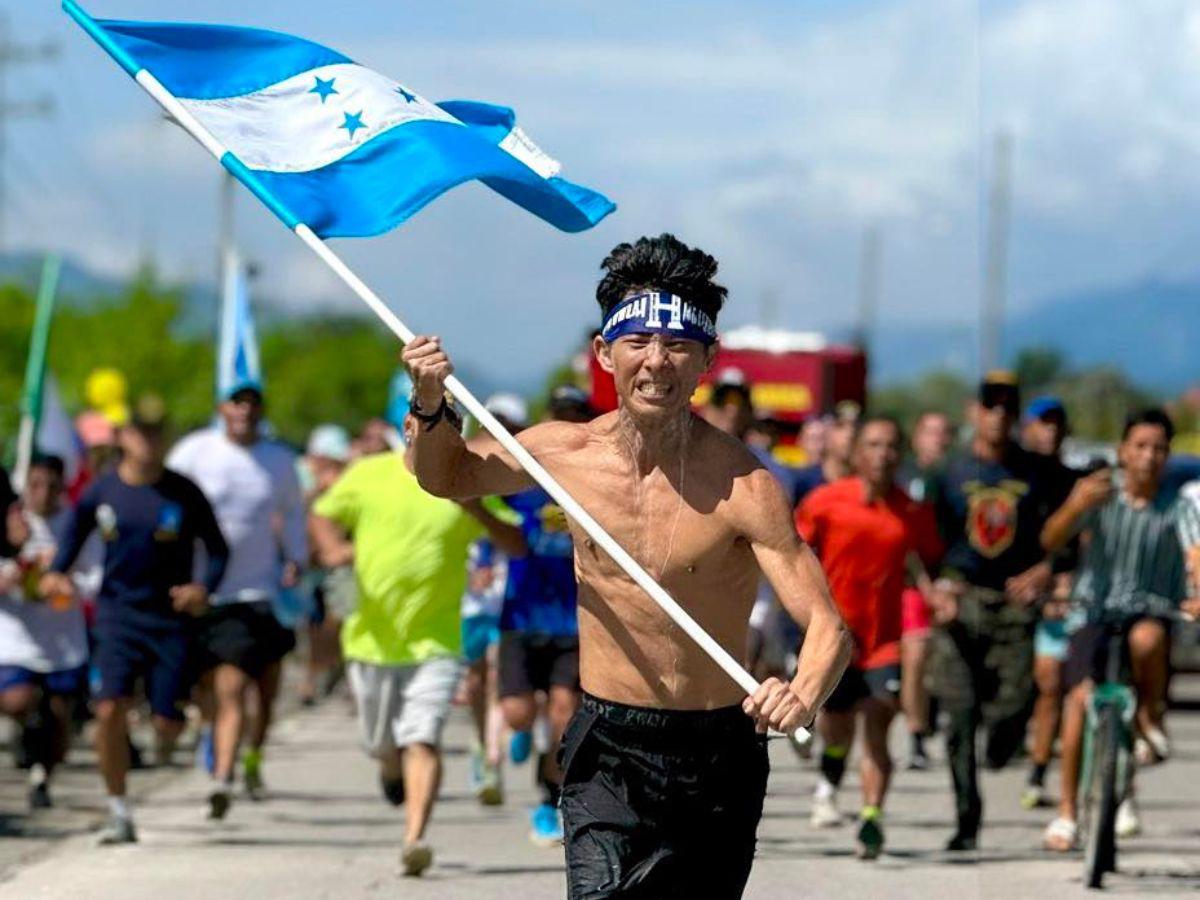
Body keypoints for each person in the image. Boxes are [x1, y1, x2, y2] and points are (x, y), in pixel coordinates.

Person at [402, 233, 851, 899]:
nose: (657, 361)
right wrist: (430, 404)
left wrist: (801, 692)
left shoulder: (743, 484)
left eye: (678, 345)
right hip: (609, 744)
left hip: (717, 749)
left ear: (705, 361)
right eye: (638, 341)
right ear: (605, 354)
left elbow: (827, 626)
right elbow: (448, 477)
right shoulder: (565, 453)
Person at [309, 409, 525, 877]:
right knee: (381, 744)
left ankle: (415, 839)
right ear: (408, 428)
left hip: (437, 642)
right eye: (429, 423)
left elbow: (516, 543)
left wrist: (477, 509)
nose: (437, 433)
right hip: (372, 643)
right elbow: (323, 514)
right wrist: (332, 550)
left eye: (449, 426)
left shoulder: (466, 481)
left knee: (423, 737)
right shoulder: (369, 474)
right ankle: (390, 771)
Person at [40, 398, 228, 844]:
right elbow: (72, 539)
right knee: (107, 709)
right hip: (117, 615)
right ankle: (118, 809)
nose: (149, 441)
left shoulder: (183, 492)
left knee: (167, 724)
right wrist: (54, 574)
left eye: (158, 432)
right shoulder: (102, 492)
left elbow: (217, 549)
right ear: (124, 436)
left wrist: (203, 589)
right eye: (141, 432)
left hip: (169, 618)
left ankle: (172, 728)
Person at [1041, 409, 1200, 850]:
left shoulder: (1178, 506)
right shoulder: (1099, 495)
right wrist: (1075, 505)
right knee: (1078, 701)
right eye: (1141, 447)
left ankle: (1150, 715)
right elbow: (1050, 539)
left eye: (1159, 449)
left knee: (1146, 640)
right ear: (1122, 452)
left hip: (1151, 609)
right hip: (1094, 611)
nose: (1149, 457)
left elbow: (1196, 552)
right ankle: (1067, 813)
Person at [926, 372, 1061, 851]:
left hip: (1014, 605)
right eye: (991, 406)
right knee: (959, 716)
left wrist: (1047, 571)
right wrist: (935, 586)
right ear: (975, 411)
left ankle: (1004, 746)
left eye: (1008, 407)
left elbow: (1065, 534)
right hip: (961, 603)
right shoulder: (948, 472)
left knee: (1015, 705)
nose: (999, 415)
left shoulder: (1039, 471)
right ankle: (967, 819)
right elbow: (928, 542)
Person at [797, 417, 942, 858]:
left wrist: (941, 591)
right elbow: (793, 554)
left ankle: (871, 817)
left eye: (892, 445)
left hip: (885, 642)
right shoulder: (825, 501)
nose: (883, 454)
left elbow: (932, 560)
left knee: (878, 723)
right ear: (857, 452)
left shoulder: (911, 511)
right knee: (837, 729)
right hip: (837, 640)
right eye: (874, 445)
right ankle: (830, 780)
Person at [167, 381, 306, 818]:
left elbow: (295, 513)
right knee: (223, 685)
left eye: (252, 404)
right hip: (204, 590)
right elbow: (165, 504)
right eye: (236, 403)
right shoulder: (194, 453)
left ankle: (249, 758)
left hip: (259, 589)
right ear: (222, 408)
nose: (244, 411)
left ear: (261, 411)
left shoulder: (279, 461)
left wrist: (296, 556)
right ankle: (222, 772)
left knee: (262, 691)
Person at [497, 391, 595, 846]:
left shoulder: (593, 485)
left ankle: (546, 798)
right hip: (522, 616)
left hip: (572, 624)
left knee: (562, 717)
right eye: (562, 418)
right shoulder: (520, 480)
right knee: (518, 715)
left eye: (578, 417)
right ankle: (525, 734)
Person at [0, 456, 89, 809]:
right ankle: (24, 732)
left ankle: (41, 777)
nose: (44, 493)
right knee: (17, 700)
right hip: (16, 639)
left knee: (58, 720)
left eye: (52, 485)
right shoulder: (10, 521)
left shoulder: (76, 525)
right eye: (35, 484)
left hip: (62, 641)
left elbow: (96, 575)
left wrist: (69, 583)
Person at [461, 392, 529, 806]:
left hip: (511, 592)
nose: (497, 429)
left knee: (496, 676)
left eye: (507, 423)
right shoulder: (464, 462)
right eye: (490, 420)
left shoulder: (524, 473)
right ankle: (480, 742)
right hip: (470, 598)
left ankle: (491, 758)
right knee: (474, 680)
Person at [1018, 396, 1081, 809]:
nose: (1050, 431)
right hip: (1009, 596)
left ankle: (1040, 771)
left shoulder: (1073, 483)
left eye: (1057, 423)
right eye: (1043, 423)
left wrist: (1061, 578)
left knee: (1052, 683)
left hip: (1057, 597)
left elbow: (1079, 541)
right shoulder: (1012, 474)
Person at [896, 410, 953, 769]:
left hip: (953, 580)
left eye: (944, 432)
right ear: (916, 437)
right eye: (930, 432)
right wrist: (926, 582)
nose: (937, 439)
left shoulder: (960, 476)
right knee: (916, 656)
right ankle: (916, 734)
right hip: (915, 582)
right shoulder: (904, 476)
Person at [298, 424, 353, 707]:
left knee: (337, 620)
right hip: (311, 564)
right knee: (313, 626)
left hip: (338, 564)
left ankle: (332, 671)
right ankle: (313, 676)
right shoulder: (304, 480)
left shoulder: (348, 481)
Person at [793, 401, 860, 502]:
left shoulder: (866, 487)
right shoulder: (802, 484)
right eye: (840, 426)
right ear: (826, 433)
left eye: (856, 427)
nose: (850, 434)